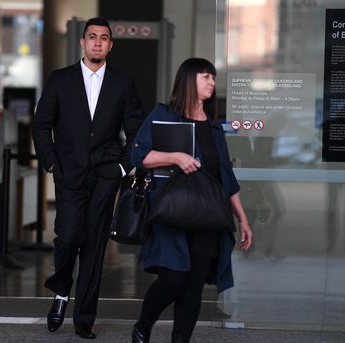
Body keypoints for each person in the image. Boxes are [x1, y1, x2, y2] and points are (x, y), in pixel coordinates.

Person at [32, 17, 144, 339]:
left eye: (103, 38)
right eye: (92, 37)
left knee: (94, 247)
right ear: (82, 42)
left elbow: (136, 130)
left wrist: (124, 167)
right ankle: (62, 288)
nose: (97, 42)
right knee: (67, 237)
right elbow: (41, 125)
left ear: (111, 45)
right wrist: (52, 163)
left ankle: (84, 319)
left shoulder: (123, 83)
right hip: (68, 173)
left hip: (106, 175)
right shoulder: (60, 80)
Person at [130, 58, 253, 343]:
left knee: (194, 286)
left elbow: (226, 177)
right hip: (172, 211)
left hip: (208, 216)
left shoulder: (213, 129)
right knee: (173, 280)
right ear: (188, 80)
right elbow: (139, 156)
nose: (212, 82)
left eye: (213, 77)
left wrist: (243, 219)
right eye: (206, 77)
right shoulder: (164, 115)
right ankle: (144, 324)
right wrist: (175, 157)